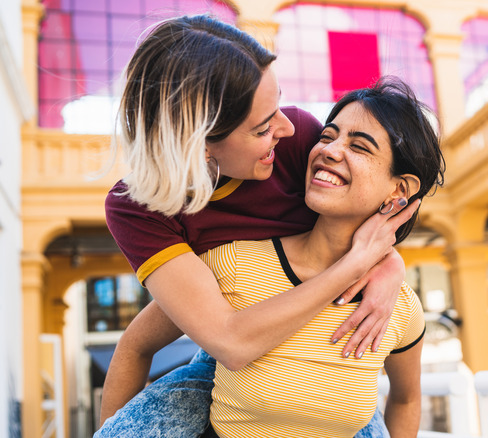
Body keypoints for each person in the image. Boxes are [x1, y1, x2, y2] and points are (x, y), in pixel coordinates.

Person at [97, 15, 417, 437]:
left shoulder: (297, 138)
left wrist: (388, 262)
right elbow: (229, 342)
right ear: (200, 140)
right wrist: (357, 264)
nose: (286, 127)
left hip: (329, 365)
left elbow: (375, 194)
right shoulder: (138, 208)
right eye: (264, 126)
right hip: (231, 355)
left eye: (278, 105)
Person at [201, 77, 444, 437]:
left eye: (359, 147)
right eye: (327, 137)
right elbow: (138, 346)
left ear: (399, 189)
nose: (329, 150)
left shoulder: (400, 308)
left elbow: (407, 400)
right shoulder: (232, 263)